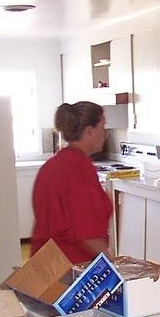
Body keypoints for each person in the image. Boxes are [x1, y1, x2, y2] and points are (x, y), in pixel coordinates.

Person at [31, 101, 113, 264]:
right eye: (102, 127)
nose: (105, 134)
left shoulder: (53, 164)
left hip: (45, 263)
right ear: (89, 131)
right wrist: (112, 264)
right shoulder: (79, 168)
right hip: (72, 267)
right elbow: (86, 233)